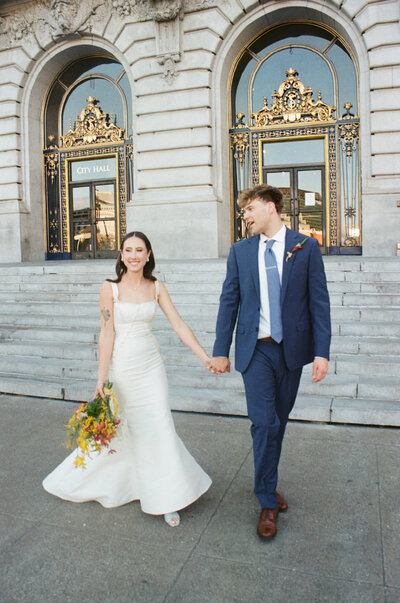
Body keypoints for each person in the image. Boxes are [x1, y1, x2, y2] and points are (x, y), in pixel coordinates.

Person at [43, 231, 212, 527]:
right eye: (128, 250)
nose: (133, 255)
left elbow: (179, 324)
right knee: (128, 429)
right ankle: (128, 483)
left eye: (139, 250)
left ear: (149, 255)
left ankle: (167, 497)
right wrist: (101, 379)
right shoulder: (111, 288)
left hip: (151, 365)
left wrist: (204, 357)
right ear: (121, 255)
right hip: (123, 367)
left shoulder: (157, 287)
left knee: (160, 424)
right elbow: (107, 332)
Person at [209, 184, 331, 540]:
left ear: (270, 208)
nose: (244, 216)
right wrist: (221, 349)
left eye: (249, 209)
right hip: (256, 350)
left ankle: (267, 482)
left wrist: (321, 352)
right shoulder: (240, 252)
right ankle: (267, 500)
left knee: (278, 422)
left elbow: (319, 302)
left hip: (292, 350)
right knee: (264, 424)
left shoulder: (305, 247)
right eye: (243, 210)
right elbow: (228, 301)